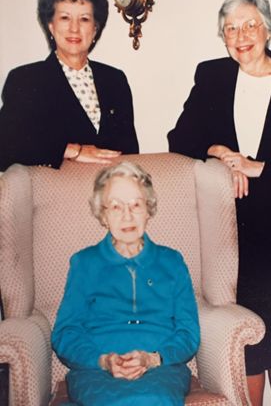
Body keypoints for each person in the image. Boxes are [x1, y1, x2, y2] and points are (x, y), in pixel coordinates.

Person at [168, 0, 271, 406]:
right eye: (231, 29)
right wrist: (221, 153)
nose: (241, 35)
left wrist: (260, 167)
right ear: (223, 38)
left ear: (268, 29)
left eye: (250, 24)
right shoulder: (213, 76)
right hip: (235, 228)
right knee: (247, 331)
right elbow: (179, 140)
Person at [52, 161, 200, 406]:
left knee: (154, 400)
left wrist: (153, 359)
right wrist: (102, 361)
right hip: (96, 371)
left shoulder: (172, 262)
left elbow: (188, 332)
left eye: (135, 205)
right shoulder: (84, 263)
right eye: (116, 207)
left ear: (148, 209)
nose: (127, 216)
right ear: (103, 214)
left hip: (160, 370)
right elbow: (65, 333)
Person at [0, 0, 139, 171]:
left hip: (110, 196)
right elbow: (6, 147)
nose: (74, 29)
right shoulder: (26, 80)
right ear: (51, 25)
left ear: (95, 28)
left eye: (84, 19)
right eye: (65, 18)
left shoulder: (115, 80)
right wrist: (72, 150)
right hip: (55, 196)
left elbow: (130, 150)